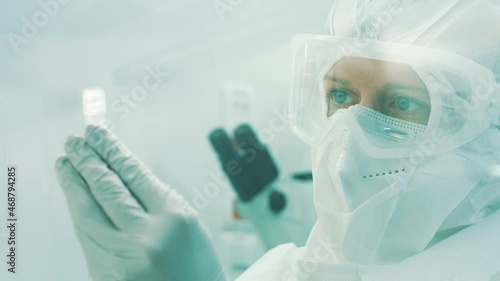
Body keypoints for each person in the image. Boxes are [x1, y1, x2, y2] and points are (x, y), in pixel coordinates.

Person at [55, 0, 500, 280]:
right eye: (340, 96)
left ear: (489, 134)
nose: (351, 134)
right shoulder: (295, 269)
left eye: (403, 104)